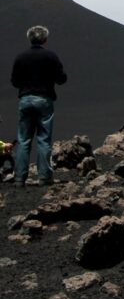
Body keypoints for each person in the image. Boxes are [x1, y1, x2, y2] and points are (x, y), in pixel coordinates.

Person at [10, 25, 67, 187]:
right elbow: (61, 78)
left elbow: (14, 81)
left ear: (29, 38)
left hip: (25, 99)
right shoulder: (51, 56)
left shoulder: (20, 57)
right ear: (45, 39)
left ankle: (19, 177)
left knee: (23, 139)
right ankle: (44, 177)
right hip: (44, 100)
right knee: (43, 139)